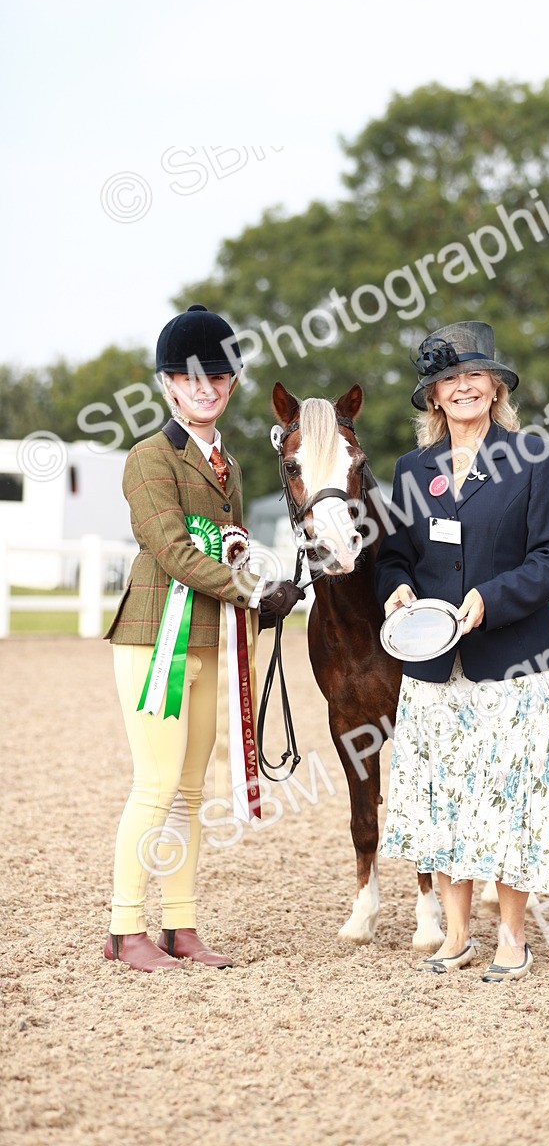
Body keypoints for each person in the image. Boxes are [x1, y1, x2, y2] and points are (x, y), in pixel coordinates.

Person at [376, 322, 549, 982]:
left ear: (494, 386)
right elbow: (395, 559)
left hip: (513, 662)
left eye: (474, 374)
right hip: (434, 666)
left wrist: (491, 598)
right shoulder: (413, 471)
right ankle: (457, 935)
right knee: (444, 799)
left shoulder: (533, 458)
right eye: (449, 378)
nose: (463, 386)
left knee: (512, 798)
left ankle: (512, 938)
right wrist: (398, 589)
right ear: (433, 396)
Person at [103, 304, 303, 972]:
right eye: (191, 378)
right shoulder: (148, 459)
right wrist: (250, 591)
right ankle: (125, 928)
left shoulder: (230, 468)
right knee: (156, 784)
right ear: (167, 384)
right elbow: (174, 551)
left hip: (213, 640)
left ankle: (180, 927)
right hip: (153, 637)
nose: (206, 388)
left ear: (233, 384)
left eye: (218, 377)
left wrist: (265, 598)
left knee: (191, 791)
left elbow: (233, 555)